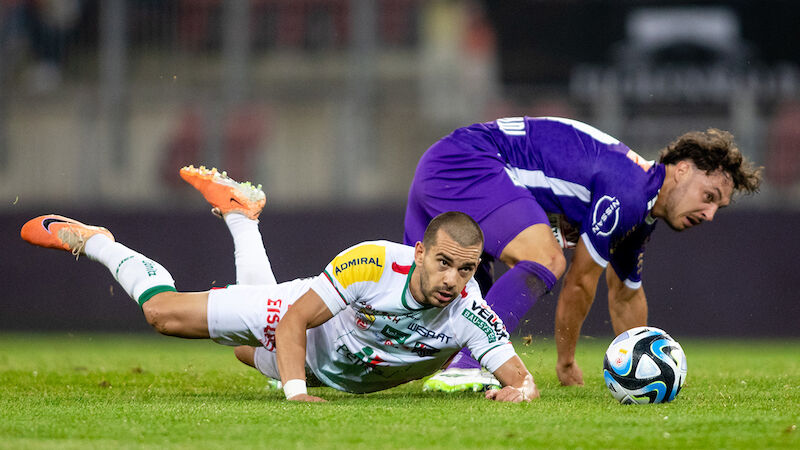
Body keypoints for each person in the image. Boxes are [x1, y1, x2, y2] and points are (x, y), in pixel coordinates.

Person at [20, 166, 539, 403]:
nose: (452, 280)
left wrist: (520, 392)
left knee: (247, 354)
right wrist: (294, 394)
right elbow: (292, 318)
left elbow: (520, 379)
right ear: (420, 252)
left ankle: (243, 217)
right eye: (444, 263)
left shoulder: (470, 312)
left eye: (466, 269)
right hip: (301, 325)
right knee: (163, 317)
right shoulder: (374, 265)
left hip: (328, 369)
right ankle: (98, 242)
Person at [404, 116, 762, 390]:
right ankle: (468, 365)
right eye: (709, 196)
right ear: (682, 170)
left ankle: (385, 359)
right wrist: (566, 362)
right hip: (468, 161)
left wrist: (643, 361)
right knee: (547, 259)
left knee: (430, 310)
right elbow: (579, 282)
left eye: (720, 208)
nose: (710, 214)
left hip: (447, 163)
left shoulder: (640, 209)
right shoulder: (630, 193)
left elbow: (625, 296)